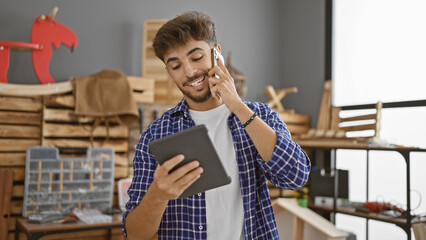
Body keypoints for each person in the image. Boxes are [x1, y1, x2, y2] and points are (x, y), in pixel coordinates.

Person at [122, 11, 311, 240]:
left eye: (196, 57)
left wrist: (238, 106)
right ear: (169, 72)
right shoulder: (154, 135)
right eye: (176, 66)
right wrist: (158, 195)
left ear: (216, 54)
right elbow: (134, 235)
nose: (189, 72)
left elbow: (296, 176)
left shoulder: (261, 116)